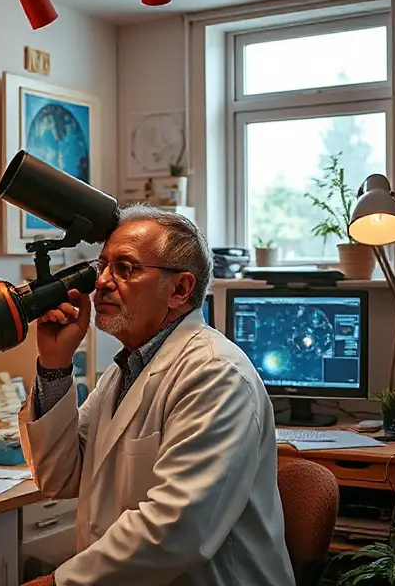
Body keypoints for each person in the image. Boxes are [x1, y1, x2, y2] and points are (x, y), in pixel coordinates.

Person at [18, 204, 295, 586]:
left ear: (179, 289)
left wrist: (59, 583)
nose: (102, 282)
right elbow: (59, 478)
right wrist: (54, 364)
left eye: (125, 268)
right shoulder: (125, 371)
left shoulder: (215, 375)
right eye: (103, 266)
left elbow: (178, 528)